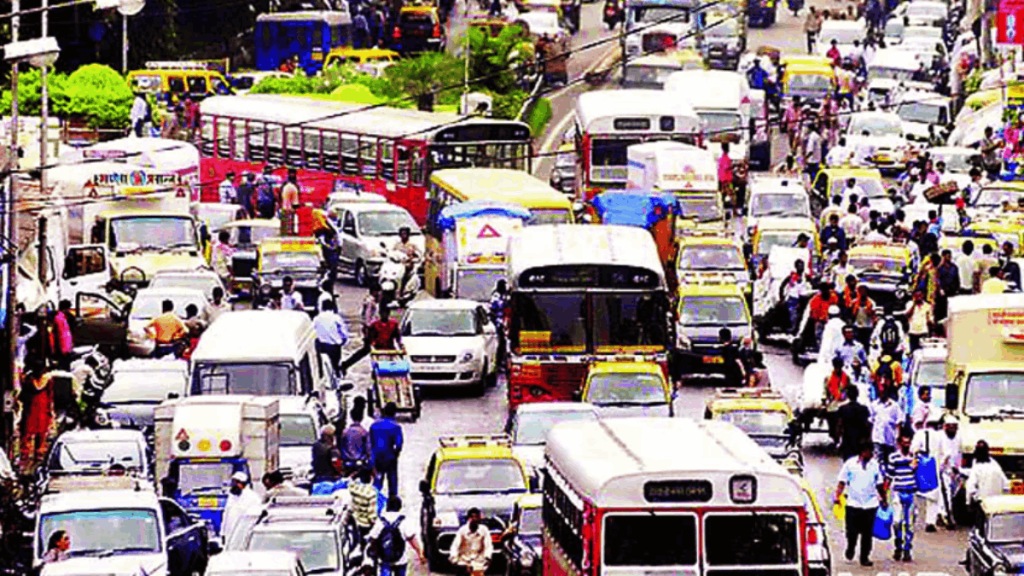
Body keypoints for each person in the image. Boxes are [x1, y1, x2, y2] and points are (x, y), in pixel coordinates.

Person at [834, 441, 887, 567]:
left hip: (870, 504)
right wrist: (837, 496)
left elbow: (879, 484)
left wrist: (884, 499)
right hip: (853, 503)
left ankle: (865, 557)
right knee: (851, 532)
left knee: (867, 533)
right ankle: (850, 548)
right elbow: (842, 481)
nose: (871, 454)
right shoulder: (850, 464)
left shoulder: (874, 466)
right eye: (869, 451)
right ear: (862, 452)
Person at [368, 496, 426, 576]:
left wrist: (374, 552)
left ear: (387, 506)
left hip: (384, 558)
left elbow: (373, 538)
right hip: (401, 558)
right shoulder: (404, 521)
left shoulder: (380, 521)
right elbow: (412, 538)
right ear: (400, 507)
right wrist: (419, 553)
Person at [885, 426, 918, 562]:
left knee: (909, 524)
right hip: (898, 492)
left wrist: (916, 467)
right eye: (904, 443)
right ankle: (898, 544)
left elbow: (921, 476)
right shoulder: (893, 458)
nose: (907, 445)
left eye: (908, 443)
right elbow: (889, 476)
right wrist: (883, 495)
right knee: (897, 522)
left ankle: (907, 549)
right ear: (899, 444)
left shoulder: (915, 458)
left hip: (911, 492)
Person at [910, 412, 944, 532]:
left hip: (920, 466)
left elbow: (913, 449)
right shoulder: (941, 436)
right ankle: (930, 521)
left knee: (916, 492)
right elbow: (944, 453)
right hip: (934, 467)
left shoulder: (919, 434)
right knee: (933, 497)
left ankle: (912, 516)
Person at [965, 440, 1010, 521]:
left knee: (982, 528)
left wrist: (969, 502)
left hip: (984, 505)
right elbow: (1006, 484)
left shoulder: (977, 468)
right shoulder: (995, 466)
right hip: (997, 504)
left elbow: (970, 488)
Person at [370, 402, 404, 500]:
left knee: (377, 480)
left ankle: (374, 498)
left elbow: (370, 442)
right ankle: (392, 499)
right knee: (392, 479)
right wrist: (395, 454)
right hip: (390, 458)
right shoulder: (396, 427)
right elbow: (398, 444)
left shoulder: (374, 426)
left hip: (376, 458)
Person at [450, 508, 493, 576]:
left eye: (477, 517)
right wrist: (454, 557)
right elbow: (455, 546)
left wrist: (488, 557)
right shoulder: (462, 530)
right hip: (464, 561)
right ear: (469, 519)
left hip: (479, 561)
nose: (474, 519)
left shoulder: (484, 530)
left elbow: (488, 546)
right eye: (472, 517)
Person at [836, 385, 871, 461]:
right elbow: (867, 426)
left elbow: (839, 426)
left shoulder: (842, 409)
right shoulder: (863, 409)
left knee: (848, 464)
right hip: (860, 442)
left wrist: (838, 441)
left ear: (847, 395)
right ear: (857, 395)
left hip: (847, 441)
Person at [222, 472, 262, 539]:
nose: (232, 486)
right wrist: (223, 533)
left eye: (234, 483)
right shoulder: (231, 497)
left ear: (241, 484)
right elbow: (226, 515)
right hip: (229, 535)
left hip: (244, 535)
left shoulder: (253, 498)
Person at [314, 299, 349, 370]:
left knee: (323, 369)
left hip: (321, 346)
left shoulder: (316, 318)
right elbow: (344, 333)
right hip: (334, 347)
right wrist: (343, 342)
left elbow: (313, 331)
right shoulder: (336, 318)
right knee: (335, 367)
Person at [871, 385, 902, 466]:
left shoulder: (894, 405)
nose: (882, 394)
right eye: (880, 392)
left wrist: (898, 436)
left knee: (890, 461)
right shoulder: (874, 405)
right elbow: (871, 420)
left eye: (884, 392)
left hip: (890, 439)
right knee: (878, 461)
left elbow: (899, 421)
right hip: (877, 438)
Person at [350, 467, 381, 536]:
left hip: (356, 520)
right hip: (366, 524)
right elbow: (371, 513)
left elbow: (350, 480)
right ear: (371, 478)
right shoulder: (371, 493)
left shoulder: (353, 487)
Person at [341, 405, 372, 474]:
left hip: (348, 462)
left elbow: (342, 447)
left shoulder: (345, 432)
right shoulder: (364, 432)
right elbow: (368, 448)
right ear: (361, 418)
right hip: (361, 462)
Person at [53, 300, 74, 369]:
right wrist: (64, 348)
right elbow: (61, 334)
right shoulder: (59, 318)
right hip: (63, 348)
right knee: (64, 366)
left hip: (66, 346)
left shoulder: (64, 318)